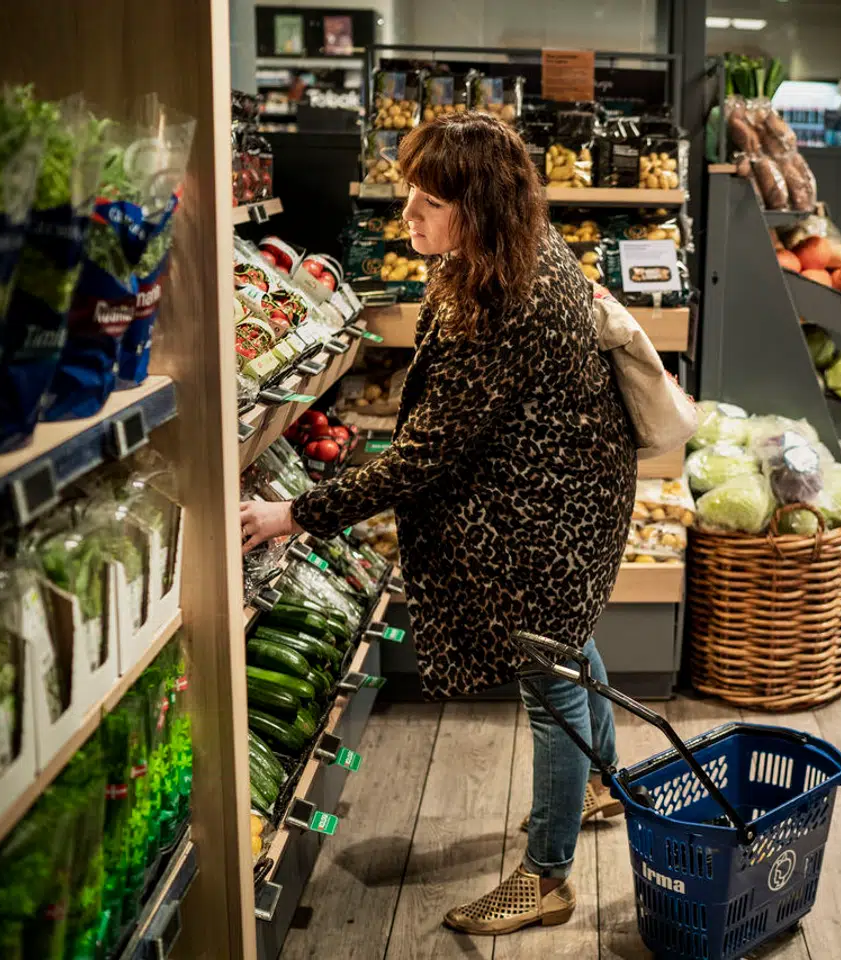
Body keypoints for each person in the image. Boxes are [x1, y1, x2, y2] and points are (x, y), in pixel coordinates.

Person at [240, 112, 636, 936]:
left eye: (429, 204)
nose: (407, 216)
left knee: (549, 682)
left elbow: (422, 459)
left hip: (546, 520)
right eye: (409, 195)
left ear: (479, 210)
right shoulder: (522, 251)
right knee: (568, 641)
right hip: (579, 496)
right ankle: (602, 782)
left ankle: (548, 876)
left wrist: (293, 513)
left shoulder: (498, 305)